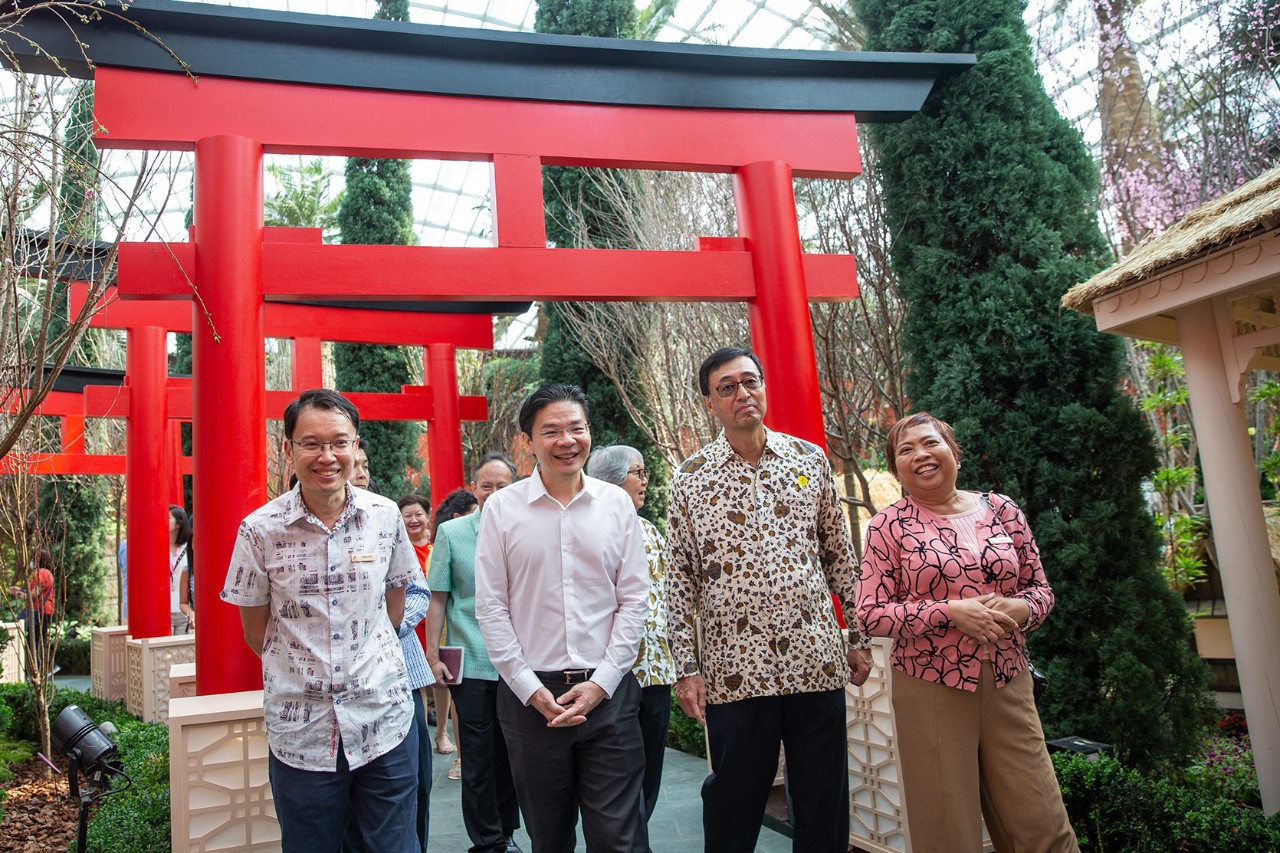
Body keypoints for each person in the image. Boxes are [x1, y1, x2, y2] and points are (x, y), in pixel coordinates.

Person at [664, 347, 873, 853]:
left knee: (823, 797)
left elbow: (838, 555)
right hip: (737, 669)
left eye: (750, 381)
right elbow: (679, 580)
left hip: (815, 657)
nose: (743, 394)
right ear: (710, 403)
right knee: (734, 798)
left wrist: (858, 635)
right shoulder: (691, 478)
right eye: (727, 387)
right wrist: (686, 668)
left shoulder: (809, 459)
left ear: (764, 386)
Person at [856, 412, 1078, 853]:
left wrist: (1022, 607)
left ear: (953, 451)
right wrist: (949, 612)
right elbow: (870, 613)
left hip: (1007, 678)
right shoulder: (889, 526)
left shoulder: (1002, 510)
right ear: (897, 469)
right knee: (945, 826)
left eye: (929, 443)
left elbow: (1041, 590)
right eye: (905, 450)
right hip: (929, 686)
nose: (920, 454)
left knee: (1042, 818)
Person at [221, 388, 423, 853]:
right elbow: (257, 632)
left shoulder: (384, 516)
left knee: (394, 846)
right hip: (302, 731)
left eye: (339, 442)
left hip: (383, 719)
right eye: (311, 443)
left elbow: (393, 606)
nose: (326, 455)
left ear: (356, 446)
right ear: (289, 449)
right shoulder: (259, 530)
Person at [475, 385, 649, 853]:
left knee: (618, 839)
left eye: (577, 428)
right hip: (531, 701)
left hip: (608, 696)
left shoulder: (616, 505)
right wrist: (531, 690)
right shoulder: (502, 510)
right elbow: (491, 607)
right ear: (528, 441)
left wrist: (603, 683)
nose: (567, 440)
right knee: (549, 839)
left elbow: (634, 600)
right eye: (551, 431)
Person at [426, 459, 523, 852]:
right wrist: (432, 656)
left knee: (512, 756)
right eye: (486, 486)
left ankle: (508, 832)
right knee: (479, 758)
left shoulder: (527, 530)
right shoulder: (452, 532)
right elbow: (438, 599)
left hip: (520, 663)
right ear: (474, 488)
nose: (494, 494)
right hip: (473, 661)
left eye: (503, 486)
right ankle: (487, 841)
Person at [586, 445, 674, 824]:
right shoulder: (588, 527)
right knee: (616, 775)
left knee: (650, 769)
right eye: (639, 472)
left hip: (656, 670)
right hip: (613, 674)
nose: (644, 481)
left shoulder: (650, 529)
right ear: (614, 480)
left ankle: (638, 841)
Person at [399, 492, 461, 767]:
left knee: (441, 680)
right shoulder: (398, 548)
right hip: (411, 626)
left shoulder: (438, 546)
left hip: (437, 623)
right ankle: (423, 732)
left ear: (427, 516)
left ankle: (441, 733)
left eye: (418, 514)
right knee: (419, 682)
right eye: (407, 515)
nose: (413, 520)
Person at [10, 548, 56, 679]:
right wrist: (20, 590)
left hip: (39, 612)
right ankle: (46, 668)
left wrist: (20, 594)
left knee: (35, 641)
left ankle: (42, 670)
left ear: (37, 559)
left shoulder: (41, 573)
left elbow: (34, 594)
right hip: (43, 611)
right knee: (39, 639)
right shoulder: (47, 573)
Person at [168, 505, 194, 634]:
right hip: (164, 609)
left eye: (168, 518)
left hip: (184, 611)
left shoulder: (188, 548)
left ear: (179, 524)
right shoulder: (158, 547)